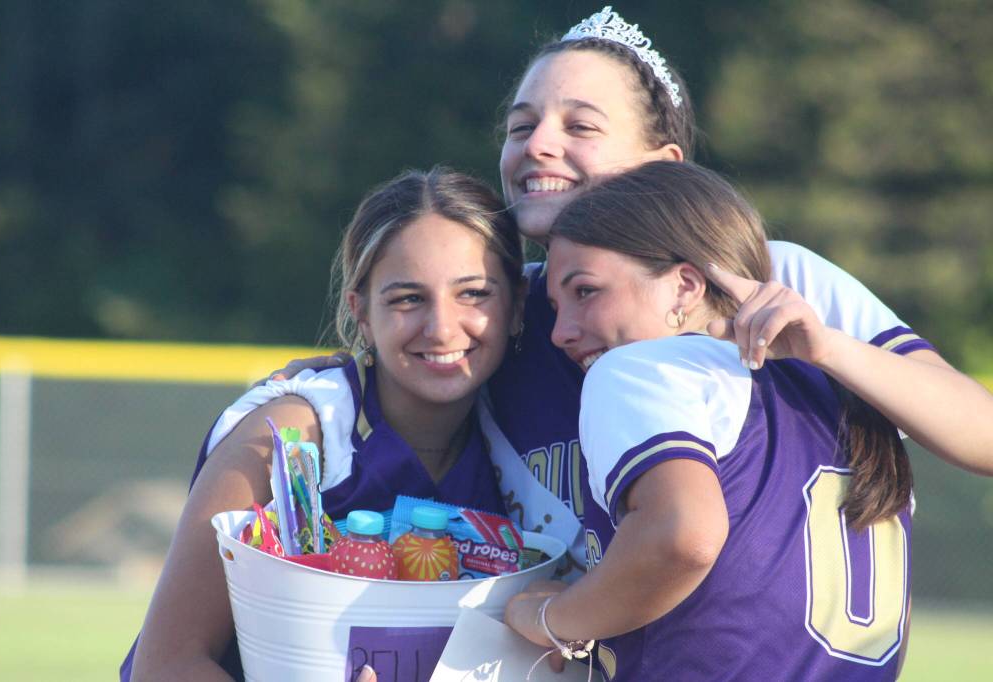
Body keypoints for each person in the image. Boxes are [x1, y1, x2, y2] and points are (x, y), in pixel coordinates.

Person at [272, 6, 992, 577]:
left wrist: (829, 349)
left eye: (579, 125)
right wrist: (341, 382)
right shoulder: (498, 317)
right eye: (522, 126)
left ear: (663, 164)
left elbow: (982, 435)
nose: (539, 144)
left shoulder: (775, 280)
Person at [503, 160, 993, 680]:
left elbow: (683, 536)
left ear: (684, 286)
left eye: (585, 291)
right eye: (556, 304)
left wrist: (550, 617)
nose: (560, 332)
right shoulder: (853, 388)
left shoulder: (637, 368)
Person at [124, 167, 537, 680]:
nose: (441, 327)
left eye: (473, 293)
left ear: (517, 303)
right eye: (408, 298)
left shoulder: (524, 432)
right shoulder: (292, 435)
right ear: (361, 312)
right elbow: (165, 666)